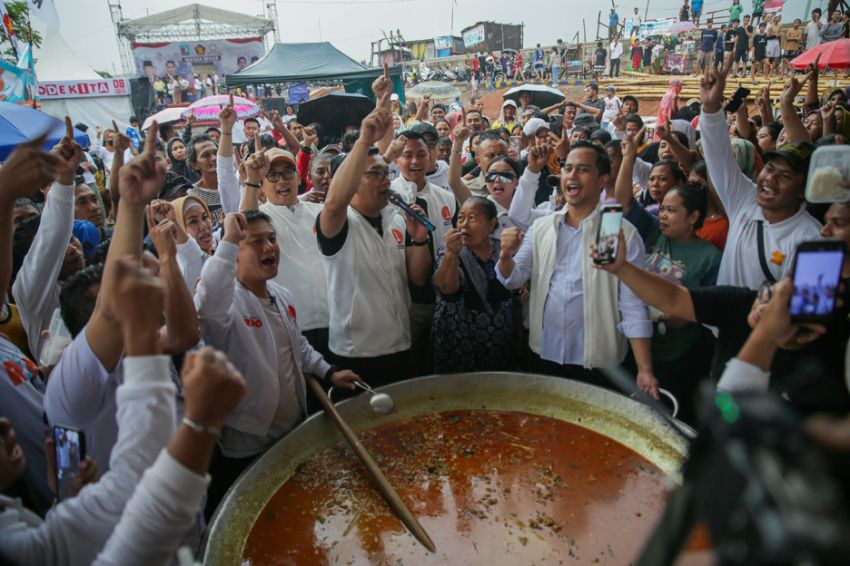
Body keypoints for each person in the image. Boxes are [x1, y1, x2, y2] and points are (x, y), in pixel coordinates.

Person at [496, 141, 658, 397]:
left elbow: (632, 305)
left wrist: (645, 369)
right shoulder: (543, 227)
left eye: (583, 169)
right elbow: (514, 278)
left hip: (598, 363)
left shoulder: (612, 228)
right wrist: (505, 256)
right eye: (568, 168)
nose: (571, 175)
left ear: (602, 179)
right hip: (544, 353)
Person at [316, 103, 432, 387]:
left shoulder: (395, 219)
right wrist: (364, 140)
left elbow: (417, 278)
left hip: (401, 344)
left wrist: (419, 240)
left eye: (386, 173)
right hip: (357, 355)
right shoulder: (338, 223)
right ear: (354, 182)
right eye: (375, 174)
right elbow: (333, 202)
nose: (386, 181)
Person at [699, 54, 822, 290]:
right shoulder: (744, 198)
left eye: (785, 176)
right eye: (770, 167)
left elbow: (810, 313)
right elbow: (717, 155)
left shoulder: (813, 241)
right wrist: (711, 108)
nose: (770, 178)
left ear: (803, 188)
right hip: (721, 328)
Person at [12, 118, 84, 361]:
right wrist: (64, 181)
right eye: (58, 248)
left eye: (71, 239)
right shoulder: (32, 294)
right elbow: (53, 235)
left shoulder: (90, 281)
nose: (70, 247)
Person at [431, 197, 515, 373]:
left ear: (492, 224)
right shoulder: (448, 250)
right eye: (461, 218)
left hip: (500, 345)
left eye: (472, 218)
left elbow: (516, 288)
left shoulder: (504, 251)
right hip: (458, 344)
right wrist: (450, 254)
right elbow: (447, 290)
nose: (464, 225)